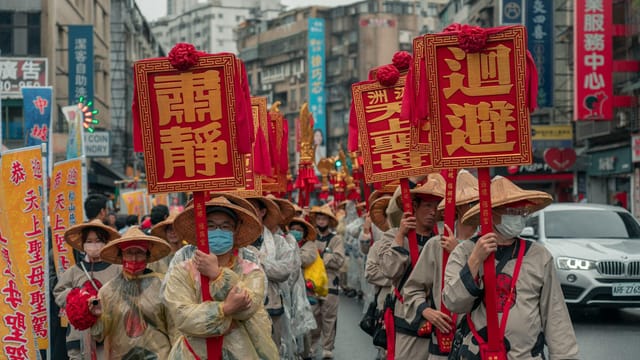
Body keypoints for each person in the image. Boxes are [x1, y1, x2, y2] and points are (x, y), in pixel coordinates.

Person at [444, 176, 579, 359]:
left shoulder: (539, 256)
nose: (517, 216)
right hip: (477, 353)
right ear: (490, 214)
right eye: (510, 211)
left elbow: (555, 316)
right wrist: (475, 260)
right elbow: (453, 302)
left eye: (521, 212)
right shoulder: (465, 251)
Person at [163, 195, 279, 359]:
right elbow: (182, 317)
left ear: (235, 230)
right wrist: (224, 310)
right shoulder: (182, 271)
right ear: (201, 229)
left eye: (225, 226)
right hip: (193, 353)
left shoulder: (251, 270)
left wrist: (217, 275)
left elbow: (249, 306)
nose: (218, 231)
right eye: (210, 226)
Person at [400, 170, 479, 359]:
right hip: (442, 338)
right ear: (458, 208)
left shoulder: (489, 245)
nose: (475, 208)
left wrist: (458, 251)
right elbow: (411, 289)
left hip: (478, 342)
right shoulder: (436, 245)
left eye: (477, 203)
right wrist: (426, 311)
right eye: (470, 204)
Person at [70, 226, 174, 358]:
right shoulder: (108, 291)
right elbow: (98, 335)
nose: (134, 258)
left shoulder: (163, 285)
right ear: (121, 256)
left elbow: (174, 327)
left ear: (147, 256)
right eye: (129, 253)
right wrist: (96, 317)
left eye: (139, 252)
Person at [377, 173, 445, 359]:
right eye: (428, 205)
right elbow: (390, 271)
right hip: (407, 318)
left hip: (440, 320)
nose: (433, 211)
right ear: (414, 206)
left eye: (437, 206)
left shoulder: (442, 240)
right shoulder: (393, 236)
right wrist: (400, 235)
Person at [53, 219, 122, 360]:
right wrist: (78, 297)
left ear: (105, 242)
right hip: (78, 336)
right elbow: (58, 292)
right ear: (83, 244)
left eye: (97, 240)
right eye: (89, 241)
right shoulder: (74, 271)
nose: (93, 245)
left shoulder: (116, 268)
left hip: (109, 334)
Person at [245, 195, 297, 356]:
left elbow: (285, 270)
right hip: (244, 306)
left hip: (272, 304)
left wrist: (257, 261)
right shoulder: (237, 241)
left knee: (272, 350)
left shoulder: (279, 242)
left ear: (262, 212)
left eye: (253, 208)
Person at [304, 204, 345, 360]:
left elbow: (339, 259)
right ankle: (312, 346)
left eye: (324, 218)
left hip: (330, 284)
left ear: (329, 220)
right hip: (312, 284)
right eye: (318, 218)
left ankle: (328, 348)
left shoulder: (336, 239)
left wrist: (321, 258)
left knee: (329, 317)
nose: (321, 221)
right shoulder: (310, 238)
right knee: (313, 316)